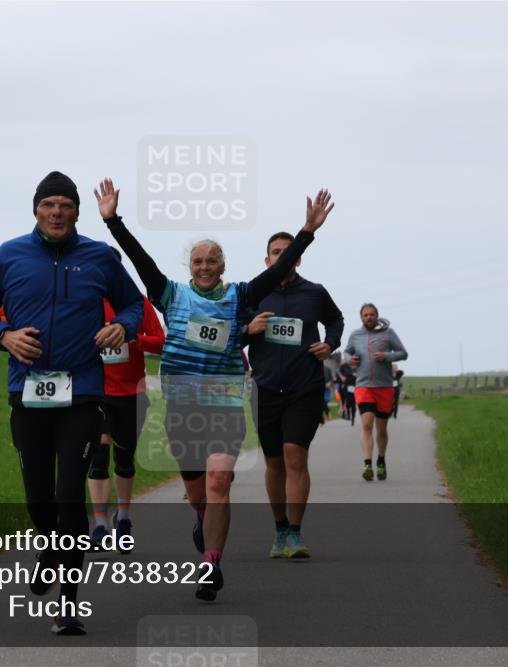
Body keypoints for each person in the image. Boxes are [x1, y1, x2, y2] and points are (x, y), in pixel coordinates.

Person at [94, 178, 334, 601]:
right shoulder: (170, 296)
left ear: (222, 266)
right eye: (198, 261)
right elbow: (139, 259)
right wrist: (114, 221)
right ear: (191, 267)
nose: (205, 266)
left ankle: (211, 563)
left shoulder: (241, 297)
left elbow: (278, 270)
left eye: (212, 260)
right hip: (182, 407)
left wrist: (307, 232)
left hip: (223, 404)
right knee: (197, 492)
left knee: (219, 481)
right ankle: (203, 519)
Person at [0, 171, 144, 636]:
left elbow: (134, 305)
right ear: (36, 211)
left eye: (65, 204)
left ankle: (68, 604)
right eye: (49, 205)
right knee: (37, 497)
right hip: (27, 391)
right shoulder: (9, 255)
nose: (57, 212)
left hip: (82, 393)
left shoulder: (99, 256)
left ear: (76, 212)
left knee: (70, 495)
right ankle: (48, 546)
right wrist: (3, 336)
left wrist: (121, 327)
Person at [243, 232, 344, 559]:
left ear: (298, 257)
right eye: (275, 252)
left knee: (294, 455)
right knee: (274, 463)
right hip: (265, 388)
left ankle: (296, 535)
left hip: (304, 387)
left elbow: (336, 318)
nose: (282, 257)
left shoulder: (314, 292)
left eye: (287, 252)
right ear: (266, 260)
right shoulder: (253, 293)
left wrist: (330, 343)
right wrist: (248, 329)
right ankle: (280, 528)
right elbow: (232, 335)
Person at [88, 251, 165, 552]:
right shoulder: (87, 302)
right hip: (96, 392)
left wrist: (133, 338)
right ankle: (99, 526)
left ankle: (124, 518)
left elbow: (160, 341)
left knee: (124, 459)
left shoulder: (137, 304)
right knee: (98, 455)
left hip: (133, 393)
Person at [343, 304, 408, 481]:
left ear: (377, 316)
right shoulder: (355, 335)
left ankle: (381, 460)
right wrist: (351, 359)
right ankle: (366, 463)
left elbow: (403, 353)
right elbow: (346, 353)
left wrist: (386, 356)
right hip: (363, 386)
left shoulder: (388, 333)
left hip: (384, 387)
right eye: (365, 315)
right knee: (366, 424)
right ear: (361, 318)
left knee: (381, 428)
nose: (369, 317)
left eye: (372, 314)